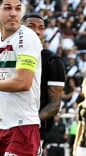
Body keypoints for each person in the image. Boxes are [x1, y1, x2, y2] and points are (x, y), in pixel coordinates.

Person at [0, 0, 43, 156]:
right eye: (8, 8)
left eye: (18, 9)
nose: (13, 13)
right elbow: (3, 80)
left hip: (23, 127)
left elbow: (23, 83)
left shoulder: (28, 37)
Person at [22, 13, 66, 155]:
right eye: (31, 26)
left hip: (33, 131)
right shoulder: (9, 56)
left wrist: (31, 122)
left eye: (41, 28)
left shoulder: (53, 61)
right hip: (6, 126)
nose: (37, 31)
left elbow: (54, 105)